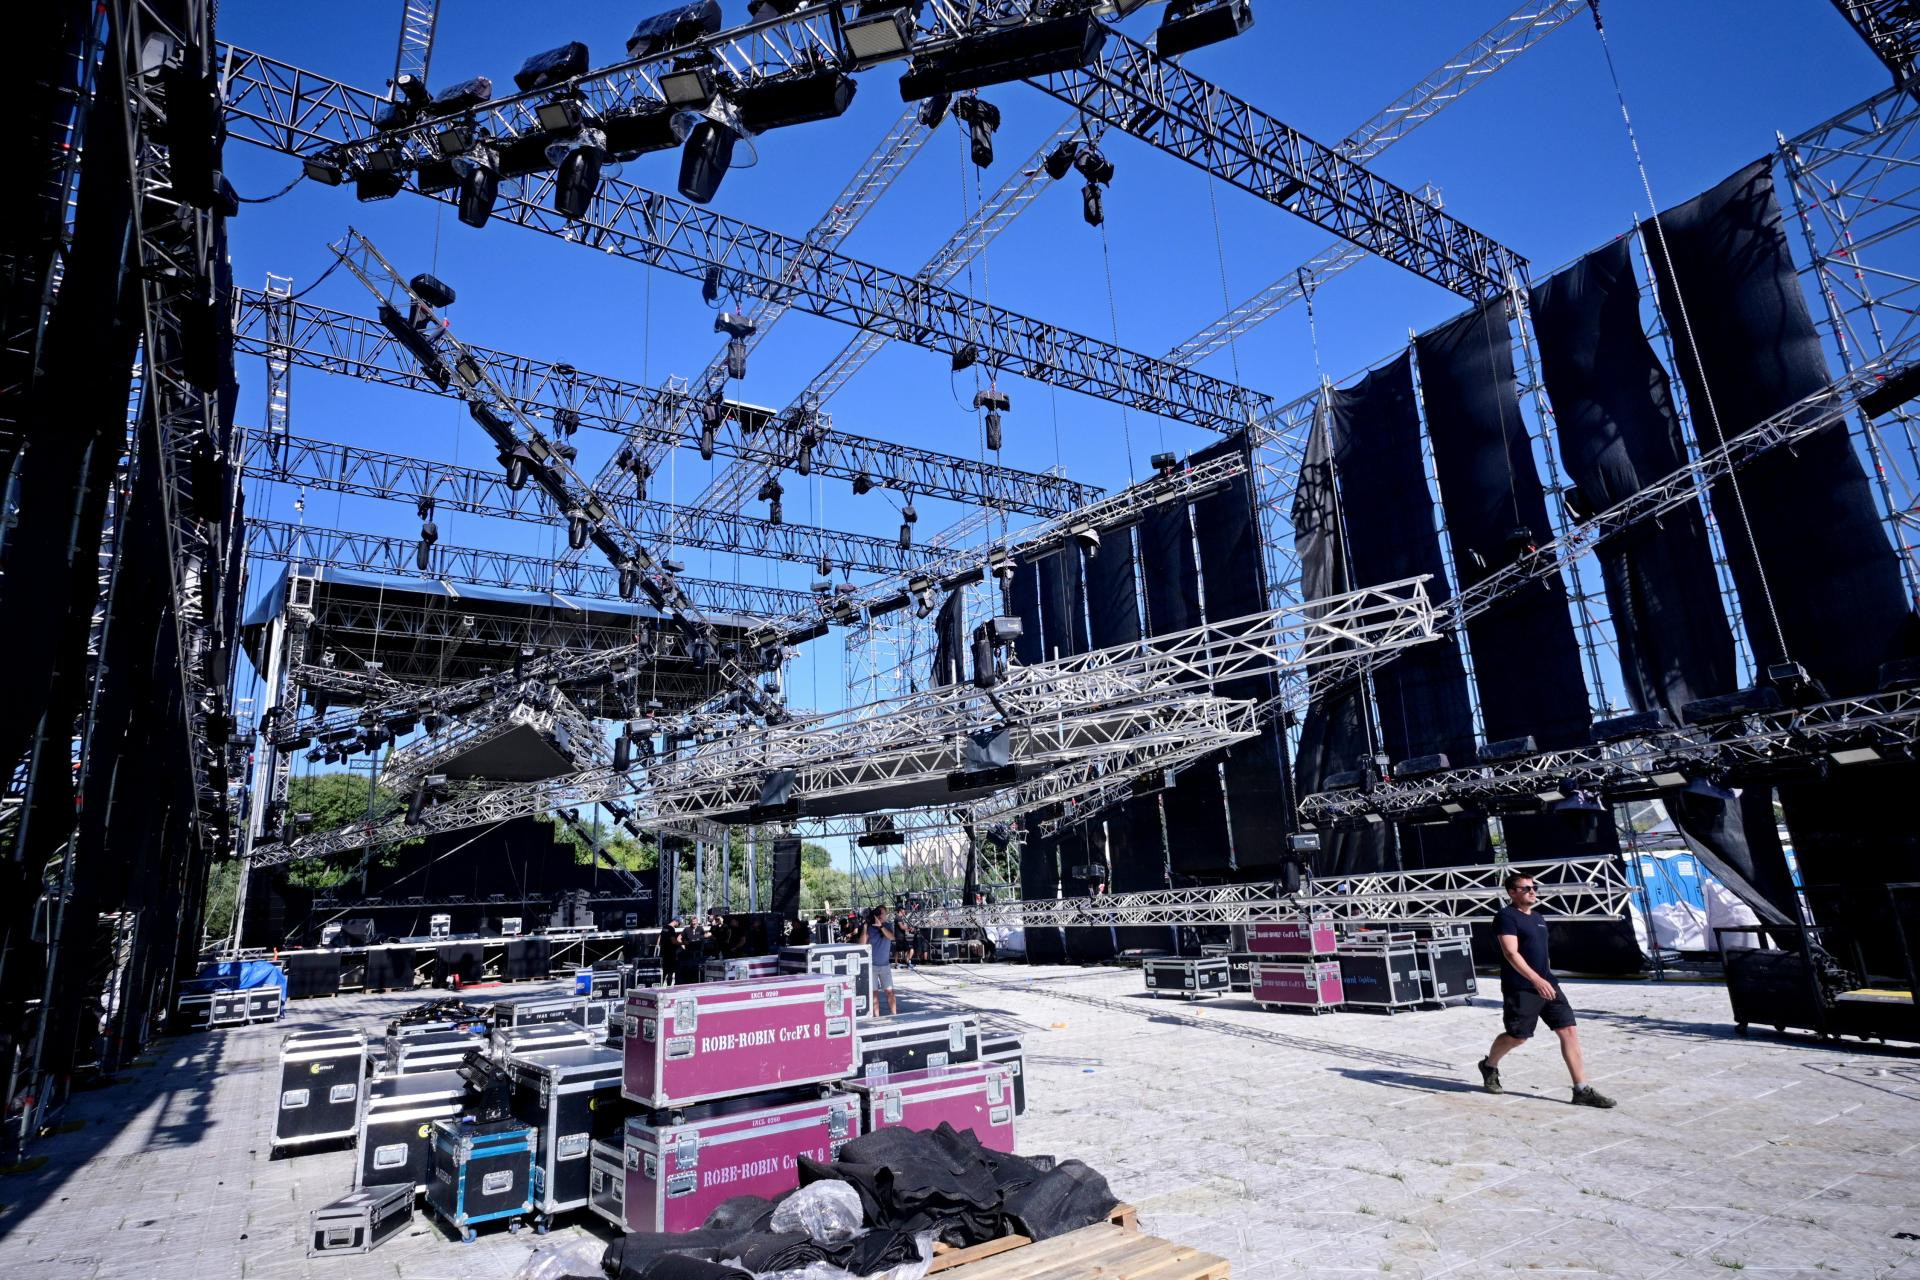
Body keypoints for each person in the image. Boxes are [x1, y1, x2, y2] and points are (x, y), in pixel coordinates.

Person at [1478, 871, 1617, 1108]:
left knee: (1568, 1030)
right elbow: (1511, 952)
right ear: (1512, 893)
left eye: (1534, 887)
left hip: (1548, 984)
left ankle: (1581, 1089)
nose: (1532, 891)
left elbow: (1541, 953)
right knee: (1518, 1037)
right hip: (1522, 987)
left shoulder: (1538, 917)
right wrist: (1536, 980)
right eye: (1526, 888)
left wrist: (1546, 979)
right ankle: (1489, 1065)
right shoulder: (1506, 917)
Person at [863, 904, 899, 1018]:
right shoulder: (870, 927)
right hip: (871, 966)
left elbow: (891, 937)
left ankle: (894, 1015)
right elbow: (862, 944)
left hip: (885, 965)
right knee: (874, 993)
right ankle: (876, 1017)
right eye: (880, 913)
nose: (882, 916)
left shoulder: (888, 925)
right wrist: (865, 926)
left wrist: (881, 926)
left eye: (883, 913)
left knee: (890, 992)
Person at [659, 918, 682, 987]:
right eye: (679, 924)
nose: (678, 925)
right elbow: (673, 941)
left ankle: (660, 986)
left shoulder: (664, 927)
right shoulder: (671, 929)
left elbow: (659, 938)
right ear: (676, 921)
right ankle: (669, 987)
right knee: (670, 972)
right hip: (670, 954)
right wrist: (682, 943)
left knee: (663, 972)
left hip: (663, 953)